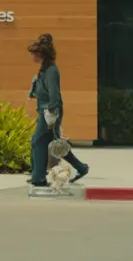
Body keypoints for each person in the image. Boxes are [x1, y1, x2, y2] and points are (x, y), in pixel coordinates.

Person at [28, 33, 89, 187]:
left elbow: (54, 95)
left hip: (49, 112)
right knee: (53, 144)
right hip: (45, 110)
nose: (32, 57)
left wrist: (52, 116)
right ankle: (81, 167)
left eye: (34, 54)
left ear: (41, 54)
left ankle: (38, 177)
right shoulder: (44, 70)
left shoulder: (51, 71)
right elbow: (44, 91)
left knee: (38, 141)